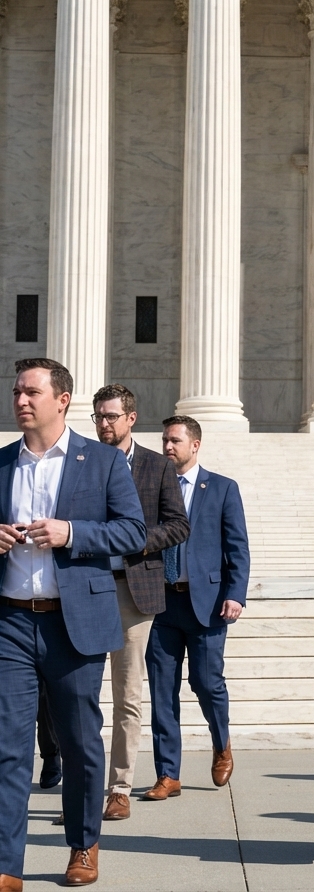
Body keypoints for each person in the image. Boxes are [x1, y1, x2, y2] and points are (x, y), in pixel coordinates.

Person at [0, 358, 146, 889]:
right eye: (16, 391)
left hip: (73, 623)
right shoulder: (1, 463)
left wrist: (71, 533)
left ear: (61, 399)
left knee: (81, 741)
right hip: (11, 622)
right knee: (8, 745)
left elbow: (132, 532)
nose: (20, 400)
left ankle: (83, 845)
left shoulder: (102, 461)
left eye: (31, 392)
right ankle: (6, 864)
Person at [91, 384, 190, 821]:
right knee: (81, 695)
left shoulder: (156, 466)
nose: (104, 424)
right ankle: (84, 788)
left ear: (131, 418)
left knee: (127, 695)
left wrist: (135, 540)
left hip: (135, 590)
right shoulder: (83, 462)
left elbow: (178, 525)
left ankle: (119, 787)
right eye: (98, 416)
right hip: (86, 588)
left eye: (111, 416)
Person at [143, 416, 250, 801]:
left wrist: (235, 594)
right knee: (161, 691)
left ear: (195, 445)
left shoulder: (221, 488)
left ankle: (221, 745)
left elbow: (237, 548)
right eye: (164, 440)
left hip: (206, 605)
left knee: (207, 683)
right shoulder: (152, 489)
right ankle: (168, 774)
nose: (167, 447)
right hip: (160, 603)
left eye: (175, 441)